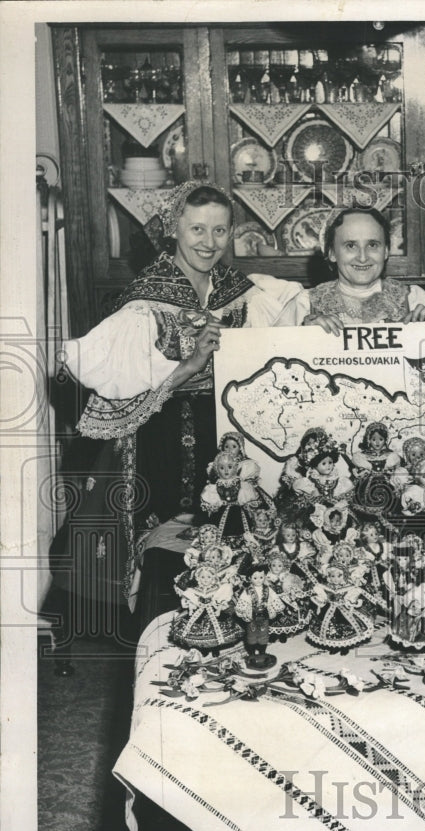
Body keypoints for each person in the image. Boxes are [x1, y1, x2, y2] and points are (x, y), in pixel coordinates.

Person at [57, 182, 303, 602]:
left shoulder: (240, 293)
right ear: (174, 230)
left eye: (220, 231)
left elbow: (281, 348)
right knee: (171, 560)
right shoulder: (145, 304)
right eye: (197, 230)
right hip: (162, 441)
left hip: (228, 431)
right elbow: (116, 389)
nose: (209, 243)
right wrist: (189, 366)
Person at [276, 206, 425, 332]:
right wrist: (301, 337)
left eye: (373, 245)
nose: (362, 257)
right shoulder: (305, 303)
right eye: (350, 245)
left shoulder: (413, 299)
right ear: (332, 253)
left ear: (386, 251)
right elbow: (269, 358)